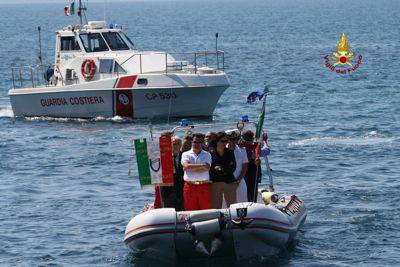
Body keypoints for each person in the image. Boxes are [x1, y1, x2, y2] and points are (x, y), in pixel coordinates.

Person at [181, 133, 212, 211]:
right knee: (190, 210)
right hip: (189, 186)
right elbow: (186, 166)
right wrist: (202, 166)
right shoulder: (185, 154)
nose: (197, 144)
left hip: (204, 186)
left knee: (206, 210)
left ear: (203, 143)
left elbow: (207, 167)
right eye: (195, 142)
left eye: (199, 142)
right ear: (192, 142)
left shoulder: (207, 154)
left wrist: (190, 167)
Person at [209, 132, 237, 209]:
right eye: (222, 141)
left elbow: (233, 167)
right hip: (215, 182)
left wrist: (221, 168)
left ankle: (234, 220)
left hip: (229, 181)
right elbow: (210, 168)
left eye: (226, 141)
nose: (225, 143)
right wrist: (226, 168)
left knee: (232, 206)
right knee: (216, 207)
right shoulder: (210, 153)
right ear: (217, 141)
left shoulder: (230, 152)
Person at [241, 130, 270, 202]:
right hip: (252, 174)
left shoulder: (239, 147)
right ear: (252, 139)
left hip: (241, 175)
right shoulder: (254, 148)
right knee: (252, 192)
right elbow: (267, 150)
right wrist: (265, 141)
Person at [226, 130, 249, 203]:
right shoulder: (222, 150)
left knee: (241, 204)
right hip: (225, 183)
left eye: (235, 139)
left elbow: (245, 167)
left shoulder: (242, 150)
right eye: (232, 139)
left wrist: (238, 181)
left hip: (239, 181)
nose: (234, 141)